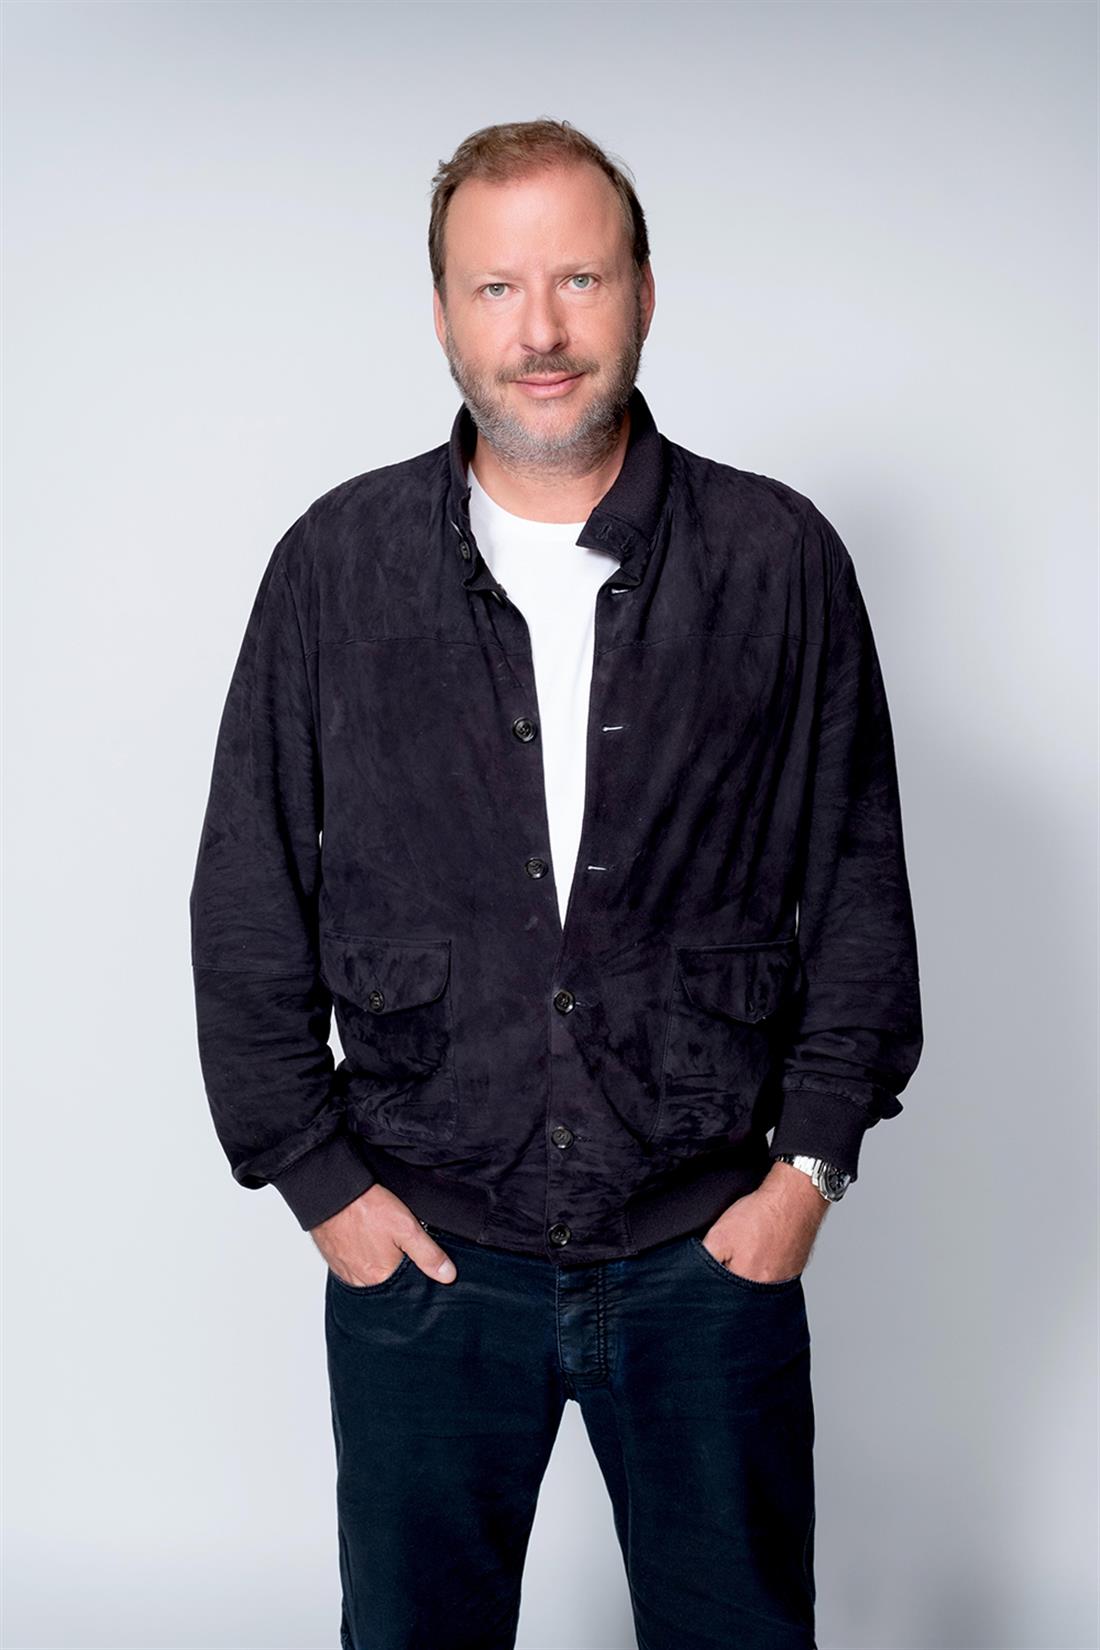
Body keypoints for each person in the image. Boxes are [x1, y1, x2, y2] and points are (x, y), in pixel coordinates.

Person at [189, 117, 923, 1650]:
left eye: (578, 278)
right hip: (425, 1262)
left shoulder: (777, 560)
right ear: (441, 313)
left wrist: (808, 1173)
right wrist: (321, 1185)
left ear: (644, 293)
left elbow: (857, 888)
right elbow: (247, 893)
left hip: (708, 1258)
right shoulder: (335, 567)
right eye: (496, 287)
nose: (539, 330)